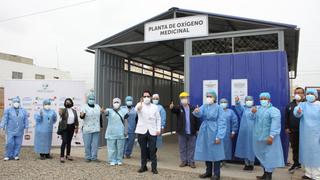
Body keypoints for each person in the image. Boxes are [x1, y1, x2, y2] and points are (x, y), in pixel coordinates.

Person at [193, 90, 227, 180]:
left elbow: (222, 122)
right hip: (205, 130)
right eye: (207, 96)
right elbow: (199, 113)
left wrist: (219, 136)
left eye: (210, 96)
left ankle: (216, 174)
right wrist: (197, 111)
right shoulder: (205, 106)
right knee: (206, 151)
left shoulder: (219, 108)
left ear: (215, 98)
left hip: (214, 131)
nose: (208, 98)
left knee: (216, 153)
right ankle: (208, 172)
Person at [252, 92, 284, 180]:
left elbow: (276, 124)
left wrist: (271, 136)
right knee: (262, 156)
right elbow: (253, 119)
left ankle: (269, 176)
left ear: (269, 100)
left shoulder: (274, 110)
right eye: (261, 99)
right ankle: (265, 174)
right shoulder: (258, 109)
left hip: (269, 138)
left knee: (269, 156)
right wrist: (253, 113)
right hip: (259, 138)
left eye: (265, 99)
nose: (263, 100)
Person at [294, 88, 320, 180]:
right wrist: (298, 111)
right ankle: (308, 173)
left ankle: (316, 175)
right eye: (308, 93)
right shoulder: (303, 104)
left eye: (311, 93)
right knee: (306, 153)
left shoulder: (319, 106)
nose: (309, 95)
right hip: (305, 134)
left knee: (316, 154)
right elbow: (297, 114)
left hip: (316, 134)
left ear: (316, 96)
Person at [170, 91, 199, 168]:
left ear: (188, 98)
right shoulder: (178, 108)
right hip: (182, 132)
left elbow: (197, 119)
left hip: (192, 131)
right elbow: (174, 110)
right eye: (182, 98)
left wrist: (197, 129)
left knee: (191, 147)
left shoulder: (193, 108)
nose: (184, 99)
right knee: (182, 147)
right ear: (180, 99)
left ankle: (191, 161)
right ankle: (184, 161)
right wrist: (172, 107)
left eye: (185, 98)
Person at [135, 90, 161, 174]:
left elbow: (158, 118)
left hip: (152, 131)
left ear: (150, 97)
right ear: (142, 98)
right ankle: (143, 166)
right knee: (143, 150)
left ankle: (154, 168)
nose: (146, 98)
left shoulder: (155, 107)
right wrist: (140, 106)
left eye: (148, 96)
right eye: (144, 96)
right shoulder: (140, 104)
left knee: (152, 150)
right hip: (142, 131)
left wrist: (158, 129)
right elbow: (137, 110)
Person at [0, 97, 28, 161]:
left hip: (20, 130)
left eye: (18, 102)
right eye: (15, 102)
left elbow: (26, 119)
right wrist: (2, 126)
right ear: (12, 103)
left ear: (19, 103)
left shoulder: (23, 110)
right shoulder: (8, 110)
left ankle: (15, 155)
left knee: (18, 143)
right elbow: (5, 118)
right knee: (9, 143)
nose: (16, 103)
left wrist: (26, 127)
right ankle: (8, 155)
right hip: (10, 129)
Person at [285, 87, 304, 172]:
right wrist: (287, 127)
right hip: (293, 130)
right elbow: (286, 117)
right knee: (295, 147)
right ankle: (296, 163)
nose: (298, 94)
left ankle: (308, 165)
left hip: (306, 131)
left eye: (300, 92)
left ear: (303, 94)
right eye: (296, 92)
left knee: (305, 148)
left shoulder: (306, 104)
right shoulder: (290, 105)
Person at [234, 96, 256, 171]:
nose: (248, 101)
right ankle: (246, 164)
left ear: (253, 101)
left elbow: (256, 118)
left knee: (252, 148)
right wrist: (237, 102)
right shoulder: (244, 109)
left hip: (253, 132)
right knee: (245, 147)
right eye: (247, 100)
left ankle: (251, 164)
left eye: (250, 100)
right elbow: (238, 108)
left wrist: (253, 112)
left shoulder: (256, 108)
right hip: (243, 132)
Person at [105, 98, 128, 166]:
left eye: (117, 102)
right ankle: (112, 160)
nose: (116, 103)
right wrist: (103, 111)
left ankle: (119, 160)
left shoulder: (124, 111)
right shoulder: (109, 111)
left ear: (120, 103)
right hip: (111, 133)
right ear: (112, 103)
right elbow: (105, 112)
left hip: (121, 132)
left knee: (120, 148)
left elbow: (126, 122)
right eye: (115, 102)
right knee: (111, 148)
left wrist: (126, 131)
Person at [80, 92, 102, 162]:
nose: (92, 100)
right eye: (90, 99)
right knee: (87, 144)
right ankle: (88, 157)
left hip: (96, 128)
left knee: (95, 145)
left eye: (93, 99)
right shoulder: (84, 106)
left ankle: (94, 157)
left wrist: (101, 126)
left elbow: (100, 116)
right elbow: (82, 116)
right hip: (87, 129)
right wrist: (82, 115)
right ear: (88, 99)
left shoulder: (97, 106)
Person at [59, 98, 79, 163]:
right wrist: (60, 112)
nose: (68, 103)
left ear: (71, 103)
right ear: (65, 103)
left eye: (69, 102)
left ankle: (68, 155)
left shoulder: (74, 111)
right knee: (64, 141)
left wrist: (76, 127)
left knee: (69, 142)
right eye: (66, 102)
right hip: (65, 127)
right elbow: (61, 115)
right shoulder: (64, 110)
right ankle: (62, 156)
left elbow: (76, 120)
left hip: (72, 127)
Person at [219, 98, 238, 163]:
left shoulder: (230, 112)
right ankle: (218, 160)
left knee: (226, 146)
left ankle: (224, 160)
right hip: (218, 132)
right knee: (218, 146)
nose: (223, 104)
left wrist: (233, 131)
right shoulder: (217, 111)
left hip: (227, 133)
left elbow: (234, 122)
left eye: (224, 102)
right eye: (222, 102)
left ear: (227, 104)